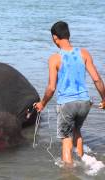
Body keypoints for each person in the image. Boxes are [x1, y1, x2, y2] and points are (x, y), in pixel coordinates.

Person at [34, 21, 105, 165]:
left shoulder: (55, 58)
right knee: (77, 131)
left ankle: (69, 172)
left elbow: (51, 88)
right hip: (84, 103)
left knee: (66, 138)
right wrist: (104, 98)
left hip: (67, 104)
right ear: (68, 34)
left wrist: (42, 103)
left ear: (55, 37)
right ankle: (82, 160)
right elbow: (97, 79)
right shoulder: (84, 53)